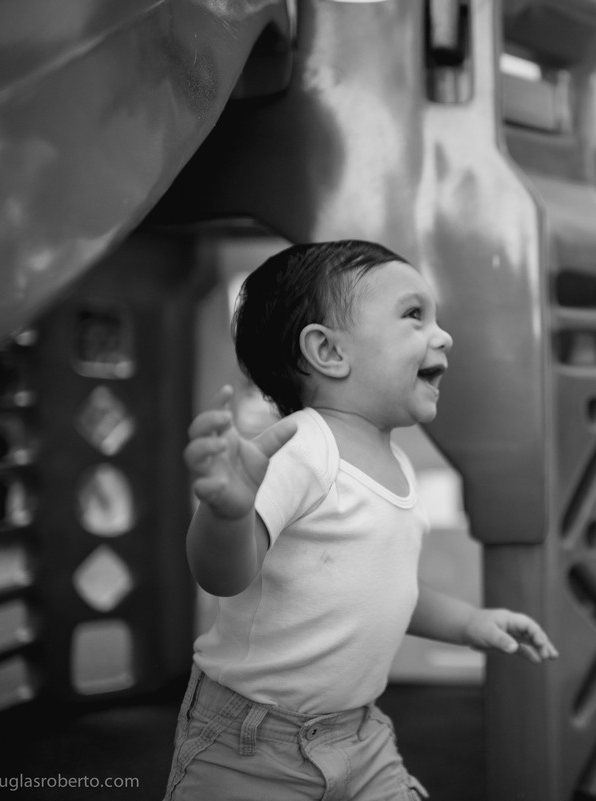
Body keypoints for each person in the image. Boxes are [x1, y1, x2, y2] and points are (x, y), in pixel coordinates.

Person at [163, 240, 558, 800]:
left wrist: (470, 622)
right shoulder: (303, 449)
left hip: (359, 735)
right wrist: (227, 514)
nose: (442, 336)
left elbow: (384, 590)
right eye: (414, 315)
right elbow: (223, 576)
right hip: (250, 745)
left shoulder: (395, 465)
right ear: (328, 351)